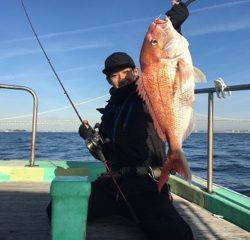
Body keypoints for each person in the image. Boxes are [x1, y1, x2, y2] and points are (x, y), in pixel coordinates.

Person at [79, 52, 194, 240]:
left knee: (178, 235)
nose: (121, 79)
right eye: (114, 76)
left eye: (125, 73)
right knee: (57, 209)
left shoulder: (148, 95)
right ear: (109, 81)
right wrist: (89, 136)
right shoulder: (110, 109)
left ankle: (141, 207)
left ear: (136, 71)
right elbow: (103, 153)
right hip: (114, 183)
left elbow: (165, 70)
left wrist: (173, 27)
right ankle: (124, 208)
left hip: (145, 184)